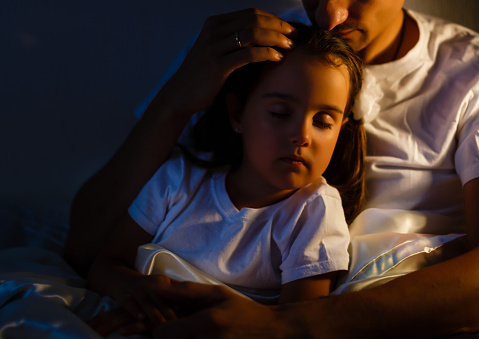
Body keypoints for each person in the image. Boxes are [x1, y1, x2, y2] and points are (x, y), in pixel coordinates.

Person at [65, 1, 479, 338]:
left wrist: (284, 327)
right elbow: (87, 248)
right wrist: (177, 99)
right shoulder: (242, 50)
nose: (330, 14)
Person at [86, 23, 366, 336]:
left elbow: (294, 324)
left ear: (340, 132)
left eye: (323, 122)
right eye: (280, 112)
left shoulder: (315, 213)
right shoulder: (178, 180)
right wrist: (134, 291)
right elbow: (104, 265)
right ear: (237, 114)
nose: (302, 135)